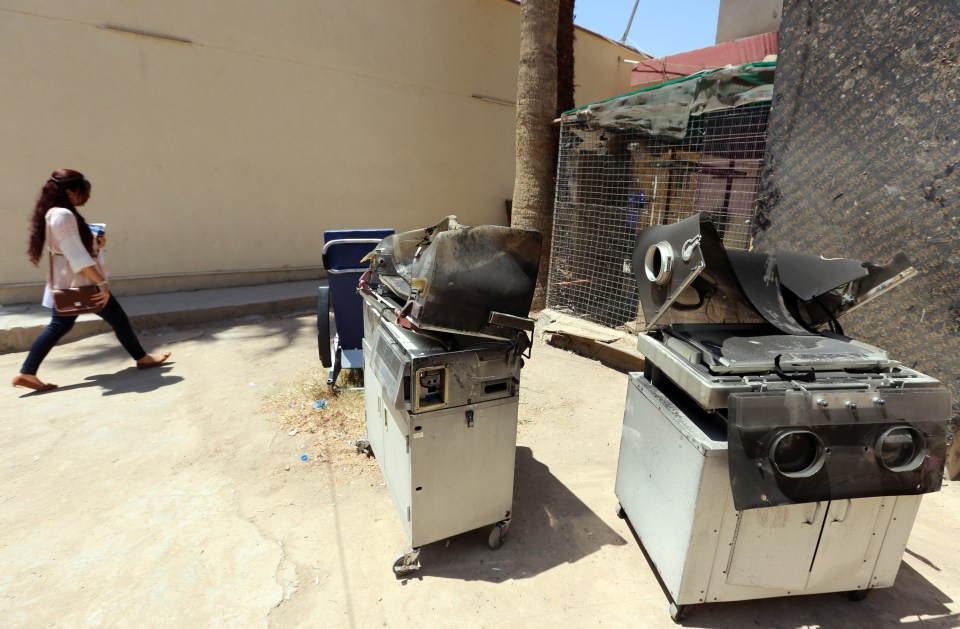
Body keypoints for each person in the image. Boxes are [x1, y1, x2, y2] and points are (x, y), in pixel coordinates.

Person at [11, 169, 171, 392]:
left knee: (60, 325)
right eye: (83, 192)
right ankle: (142, 358)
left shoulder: (54, 213)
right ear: (69, 191)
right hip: (82, 281)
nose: (87, 197)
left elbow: (70, 248)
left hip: (67, 281)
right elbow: (77, 257)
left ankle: (27, 372)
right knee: (117, 320)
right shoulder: (64, 216)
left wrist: (96, 243)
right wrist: (102, 284)